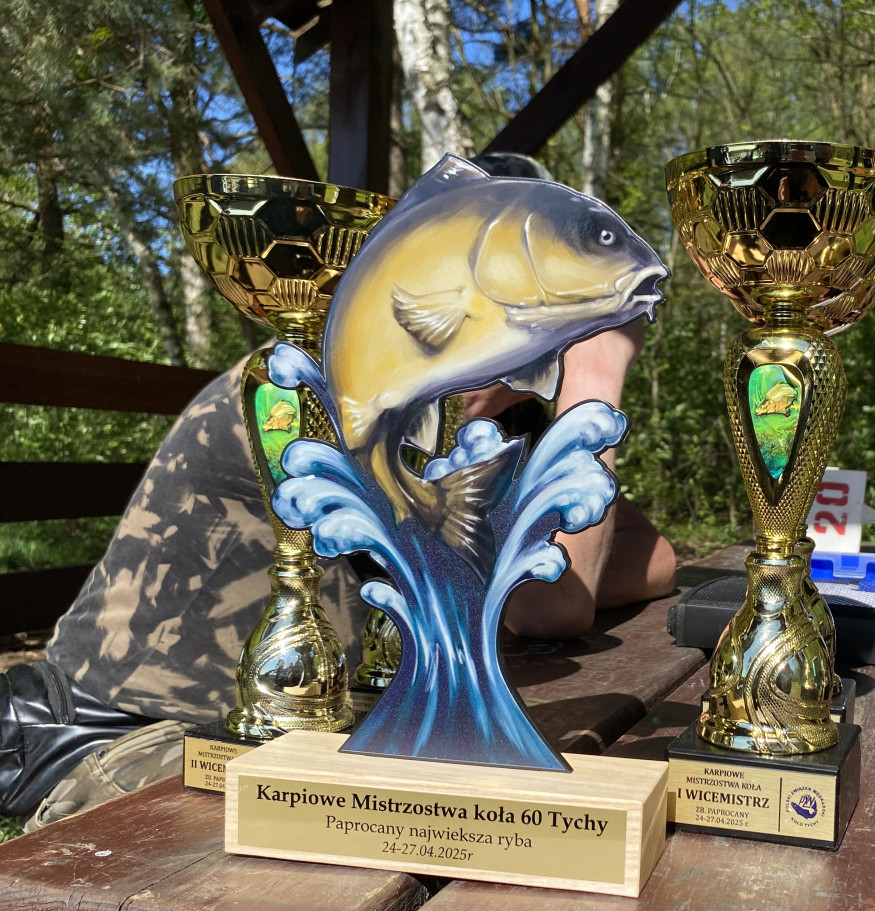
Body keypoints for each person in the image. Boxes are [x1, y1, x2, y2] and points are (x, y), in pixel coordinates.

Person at [0, 154, 676, 825]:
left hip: (292, 736)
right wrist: (597, 370)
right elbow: (553, 609)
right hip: (136, 742)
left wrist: (556, 564)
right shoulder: (346, 380)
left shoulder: (491, 410)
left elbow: (653, 561)